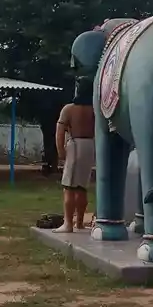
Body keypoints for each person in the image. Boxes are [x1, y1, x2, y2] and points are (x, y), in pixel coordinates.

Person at [55, 76, 96, 232]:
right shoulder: (94, 109)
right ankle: (79, 222)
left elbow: (60, 131)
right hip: (90, 146)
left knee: (69, 187)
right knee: (82, 187)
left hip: (76, 145)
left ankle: (68, 224)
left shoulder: (69, 109)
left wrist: (60, 150)